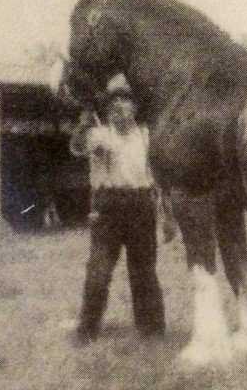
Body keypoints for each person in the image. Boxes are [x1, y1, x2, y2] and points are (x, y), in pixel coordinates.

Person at [70, 74, 165, 344]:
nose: (118, 107)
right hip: (107, 208)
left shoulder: (147, 137)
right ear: (107, 109)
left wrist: (166, 217)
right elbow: (77, 146)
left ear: (135, 107)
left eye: (125, 101)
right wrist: (85, 119)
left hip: (142, 206)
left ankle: (152, 330)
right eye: (113, 103)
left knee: (144, 270)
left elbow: (158, 178)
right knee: (99, 270)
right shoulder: (98, 135)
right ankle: (86, 330)